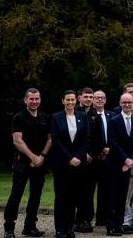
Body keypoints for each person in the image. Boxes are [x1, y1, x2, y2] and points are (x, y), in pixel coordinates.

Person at [4, 89, 51, 238]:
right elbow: (17, 141)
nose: (34, 102)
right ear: (25, 100)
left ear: (40, 100)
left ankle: (30, 227)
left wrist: (41, 156)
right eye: (31, 99)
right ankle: (9, 228)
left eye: (37, 99)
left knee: (35, 196)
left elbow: (50, 139)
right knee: (15, 196)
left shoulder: (45, 117)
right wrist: (32, 157)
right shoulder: (19, 118)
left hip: (40, 163)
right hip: (22, 163)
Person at [50, 90, 91, 238]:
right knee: (61, 197)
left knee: (74, 197)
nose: (70, 102)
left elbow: (86, 139)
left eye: (73, 99)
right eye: (67, 100)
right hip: (62, 163)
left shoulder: (82, 116)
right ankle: (60, 229)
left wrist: (78, 157)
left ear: (76, 100)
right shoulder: (56, 117)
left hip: (78, 164)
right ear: (63, 101)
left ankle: (69, 228)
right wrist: (69, 157)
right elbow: (56, 140)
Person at [105, 93, 133, 236]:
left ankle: (119, 225)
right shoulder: (113, 120)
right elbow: (113, 142)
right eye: (124, 102)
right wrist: (125, 159)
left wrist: (130, 160)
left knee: (122, 197)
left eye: (129, 102)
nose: (127, 105)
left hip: (127, 166)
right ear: (120, 103)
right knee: (112, 196)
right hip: (115, 164)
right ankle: (111, 226)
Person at [74, 88, 99, 233]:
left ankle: (86, 220)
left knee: (89, 192)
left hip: (91, 160)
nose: (88, 99)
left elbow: (98, 138)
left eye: (91, 96)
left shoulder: (95, 114)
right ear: (79, 98)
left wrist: (92, 153)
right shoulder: (74, 112)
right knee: (75, 191)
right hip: (76, 158)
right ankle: (74, 220)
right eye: (86, 96)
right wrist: (81, 154)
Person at [90, 90, 112, 229]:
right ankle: (86, 218)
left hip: (109, 158)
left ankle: (102, 218)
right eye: (96, 97)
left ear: (105, 100)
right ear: (93, 100)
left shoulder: (112, 115)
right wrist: (100, 149)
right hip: (93, 157)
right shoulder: (88, 115)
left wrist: (108, 149)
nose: (99, 100)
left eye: (101, 98)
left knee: (106, 189)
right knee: (89, 189)